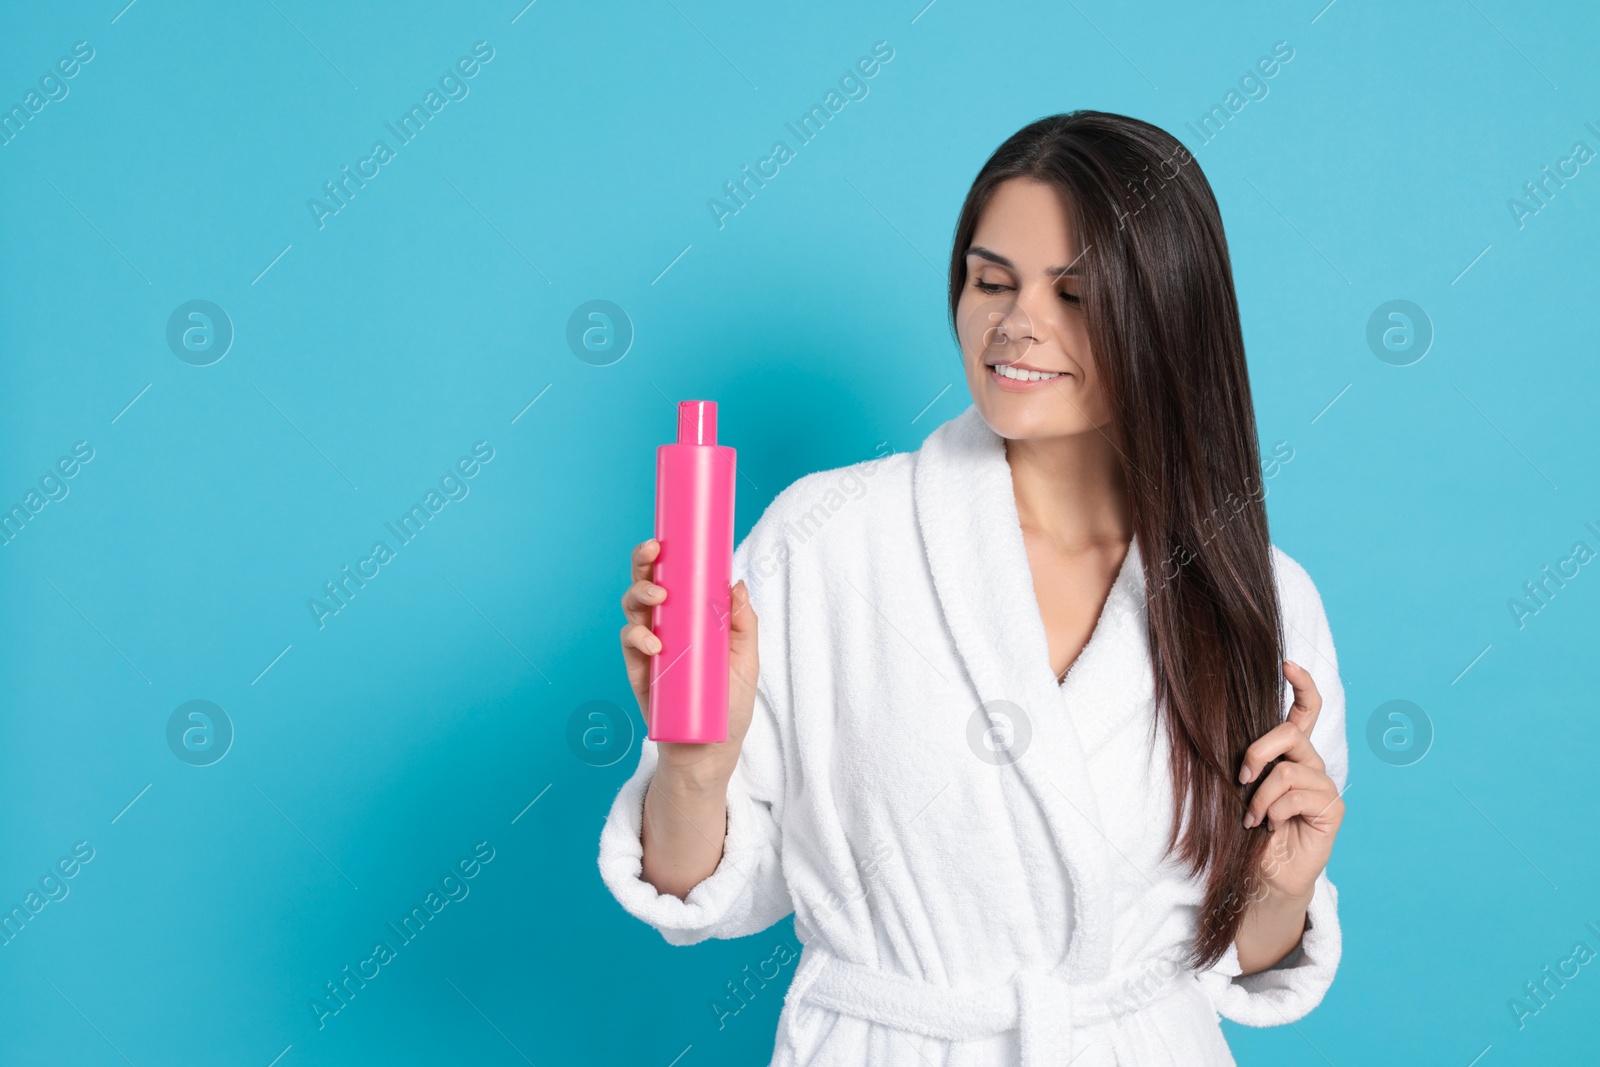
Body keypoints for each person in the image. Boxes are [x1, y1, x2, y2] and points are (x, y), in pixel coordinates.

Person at [598, 110, 1347, 1066]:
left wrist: (1280, 889)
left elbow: (1237, 960)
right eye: (991, 280)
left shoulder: (1257, 599)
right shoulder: (828, 540)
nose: (1016, 324)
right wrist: (697, 765)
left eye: (1074, 294)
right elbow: (702, 899)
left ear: (1166, 312)